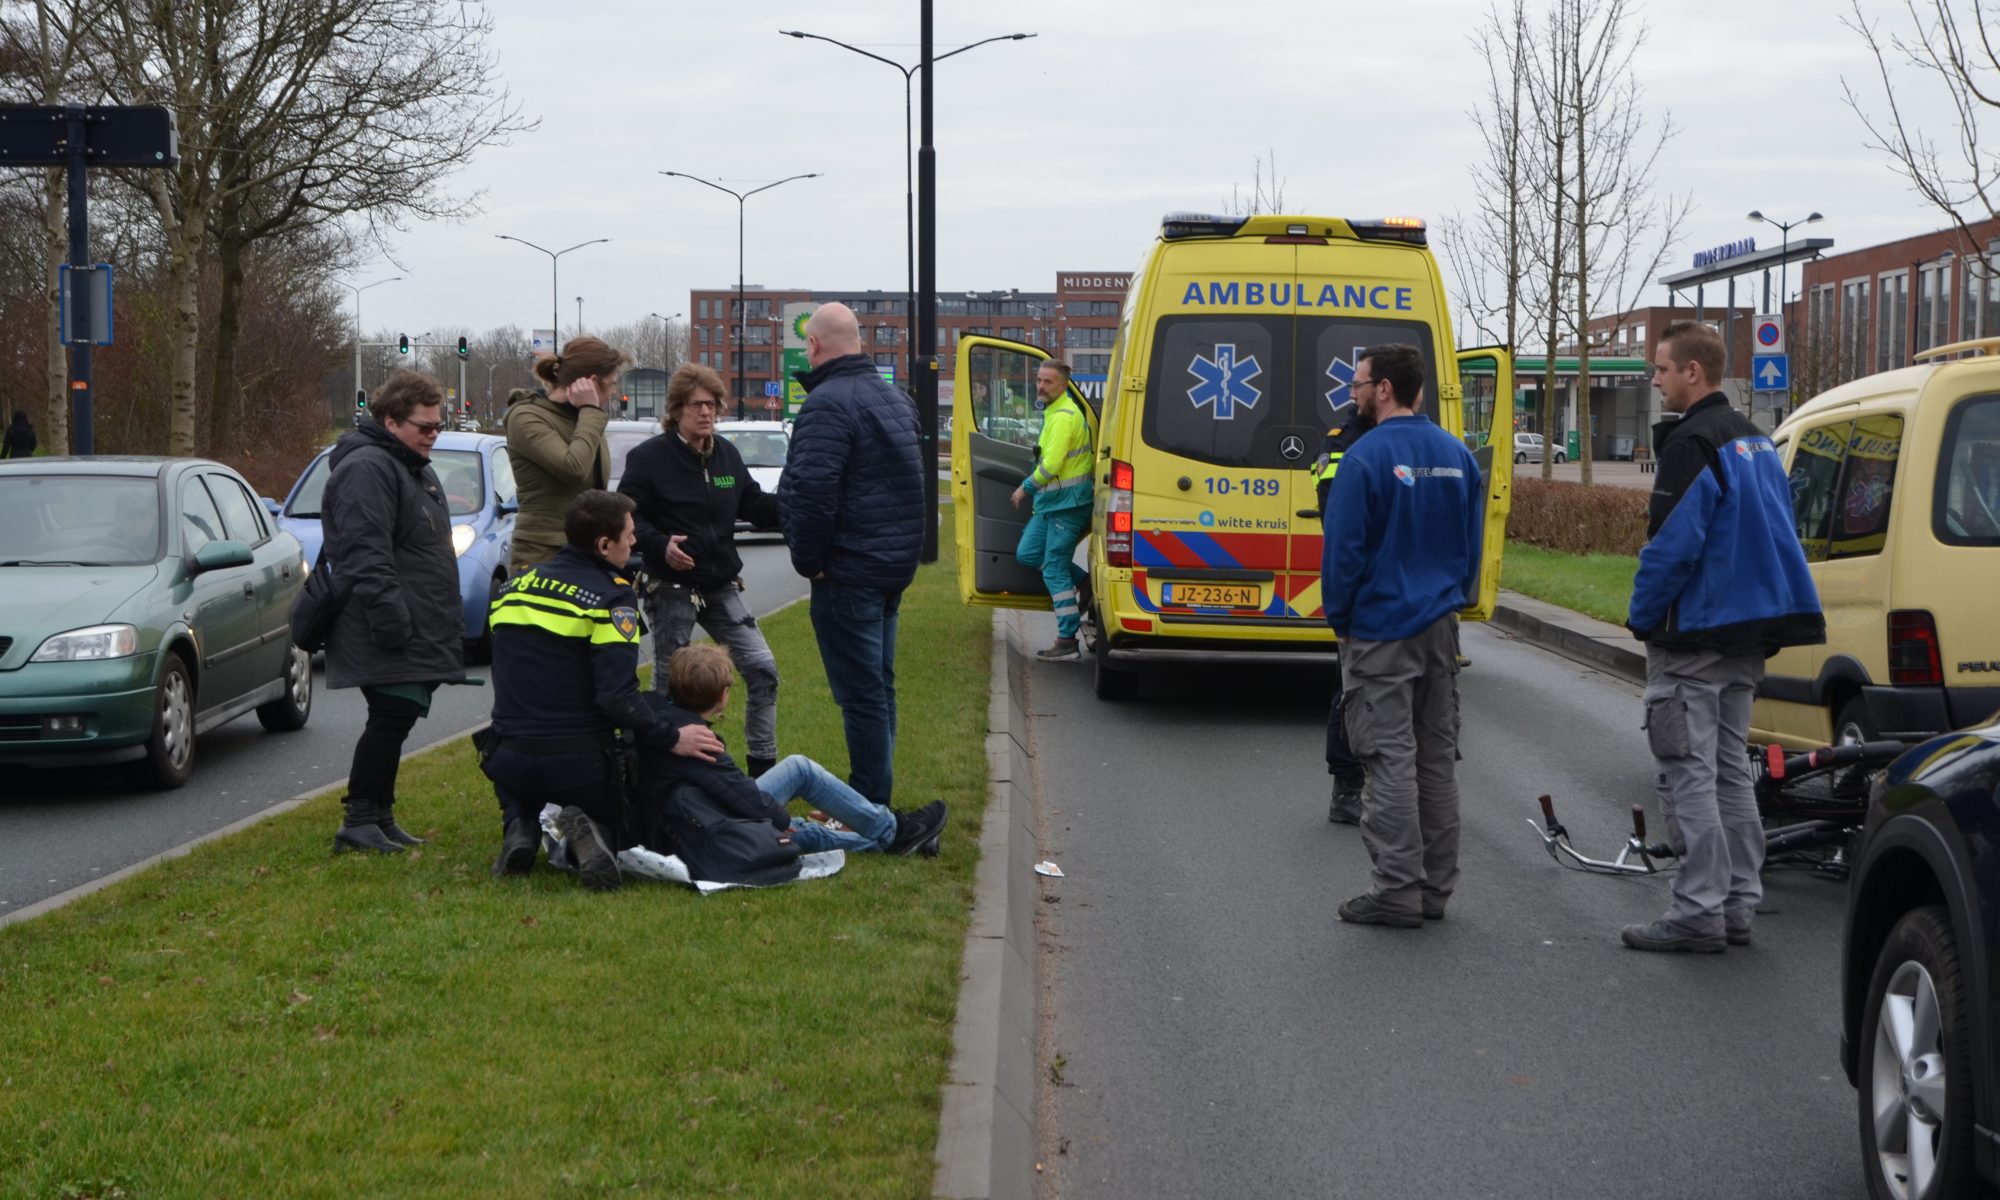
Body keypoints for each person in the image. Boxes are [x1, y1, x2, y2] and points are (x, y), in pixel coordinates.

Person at [1622, 321, 1824, 953]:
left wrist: (1641, 616)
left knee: (1688, 774)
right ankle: (1738, 903)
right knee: (1731, 775)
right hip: (1747, 637)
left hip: (1694, 639)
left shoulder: (1691, 444)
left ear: (1693, 372)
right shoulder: (1755, 441)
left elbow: (1671, 549)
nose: (1654, 379)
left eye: (1660, 368)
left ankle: (1696, 913)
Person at [481, 489, 725, 890]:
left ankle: (520, 822)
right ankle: (593, 834)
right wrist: (670, 737)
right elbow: (616, 697)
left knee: (524, 763)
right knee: (630, 829)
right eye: (629, 535)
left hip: (505, 755)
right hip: (576, 763)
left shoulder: (514, 589)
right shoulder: (612, 599)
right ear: (603, 544)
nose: (635, 542)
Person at [1320, 346, 1485, 928]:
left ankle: (1396, 892)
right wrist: (1451, 599)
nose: (1353, 394)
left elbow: (1342, 556)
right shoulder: (1457, 455)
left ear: (1384, 388)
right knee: (1436, 761)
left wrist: (1342, 623)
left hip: (1380, 632)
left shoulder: (1363, 459)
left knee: (1388, 760)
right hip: (1440, 630)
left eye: (1359, 383)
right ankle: (1434, 891)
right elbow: (1472, 548)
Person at [777, 302, 925, 809]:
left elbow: (813, 490)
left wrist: (808, 560)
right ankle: (874, 796)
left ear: (813, 345)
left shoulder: (825, 403)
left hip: (848, 570)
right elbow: (914, 486)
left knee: (860, 696)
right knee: (879, 688)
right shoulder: (896, 400)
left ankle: (865, 803)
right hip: (889, 569)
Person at [320, 369, 467, 854]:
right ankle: (359, 820)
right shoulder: (368, 469)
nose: (434, 435)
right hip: (383, 621)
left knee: (395, 715)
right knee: (392, 713)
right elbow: (365, 553)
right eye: (425, 427)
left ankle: (378, 817)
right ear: (390, 421)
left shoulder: (408, 465)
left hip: (410, 618)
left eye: (438, 426)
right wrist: (392, 621)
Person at [616, 362, 785, 776]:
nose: (705, 413)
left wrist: (796, 505)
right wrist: (660, 544)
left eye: (711, 404)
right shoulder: (649, 458)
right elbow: (628, 516)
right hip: (670, 585)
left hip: (720, 583)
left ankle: (763, 774)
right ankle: (659, 772)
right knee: (671, 686)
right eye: (695, 405)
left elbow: (754, 505)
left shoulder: (726, 454)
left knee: (763, 672)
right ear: (676, 410)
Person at [645, 644, 949, 864]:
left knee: (803, 831)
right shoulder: (698, 741)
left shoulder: (658, 716)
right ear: (723, 695)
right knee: (799, 772)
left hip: (689, 822)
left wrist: (778, 818)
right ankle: (895, 832)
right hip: (704, 828)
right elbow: (740, 795)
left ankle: (899, 840)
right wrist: (778, 816)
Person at [1311, 400, 1377, 824]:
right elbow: (1335, 514)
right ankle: (1347, 786)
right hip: (1366, 585)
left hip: (1404, 590)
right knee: (1351, 690)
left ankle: (1408, 790)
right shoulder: (1341, 443)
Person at [504, 336, 622, 573]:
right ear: (590, 382)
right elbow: (573, 468)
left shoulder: (581, 418)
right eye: (610, 384)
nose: (613, 393)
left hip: (586, 552)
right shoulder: (526, 417)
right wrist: (590, 409)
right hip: (544, 555)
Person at [1010, 361, 1096, 661]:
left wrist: (1025, 488)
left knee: (1054, 569)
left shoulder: (1063, 416)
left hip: (1068, 506)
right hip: (1052, 505)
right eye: (1039, 380)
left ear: (1063, 385)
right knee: (1028, 553)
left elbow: (1051, 466)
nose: (1041, 386)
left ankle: (1067, 638)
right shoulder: (1053, 412)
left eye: (1048, 381)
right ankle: (1084, 582)